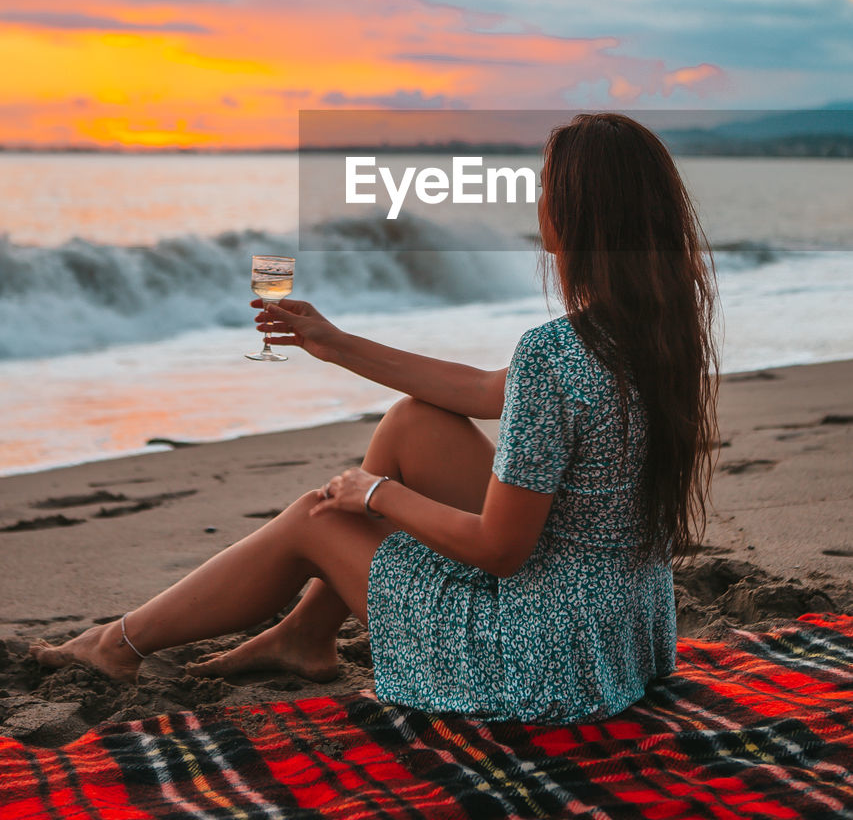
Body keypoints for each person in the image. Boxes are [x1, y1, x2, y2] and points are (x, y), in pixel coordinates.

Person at [31, 112, 719, 723]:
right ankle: (303, 633)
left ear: (577, 214)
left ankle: (113, 645)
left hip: (537, 664)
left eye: (543, 188)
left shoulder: (555, 354)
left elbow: (499, 551)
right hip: (618, 639)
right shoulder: (658, 333)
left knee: (316, 516)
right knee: (413, 422)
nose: (535, 201)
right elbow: (480, 389)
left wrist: (376, 495)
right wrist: (333, 344)